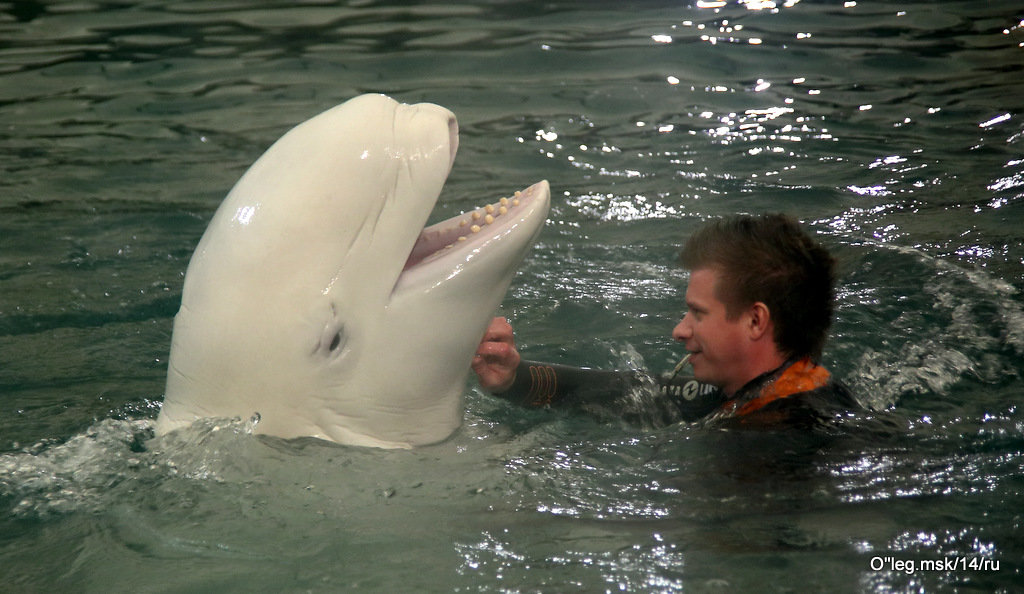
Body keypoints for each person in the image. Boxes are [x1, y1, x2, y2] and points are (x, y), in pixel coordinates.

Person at [471, 213, 858, 428]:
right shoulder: (738, 397)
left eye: (698, 313)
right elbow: (603, 390)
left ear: (756, 321)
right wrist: (513, 378)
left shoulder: (796, 431)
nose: (680, 330)